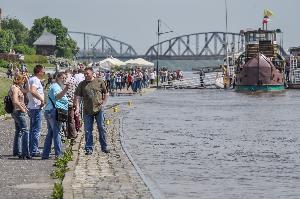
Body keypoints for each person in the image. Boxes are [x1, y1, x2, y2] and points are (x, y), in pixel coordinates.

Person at [73, 67, 109, 155]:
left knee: (101, 128)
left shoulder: (99, 81)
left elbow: (106, 93)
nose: (85, 75)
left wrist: (104, 103)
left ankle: (104, 147)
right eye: (84, 74)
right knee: (88, 130)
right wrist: (77, 108)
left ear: (92, 73)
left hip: (99, 109)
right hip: (87, 110)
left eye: (87, 73)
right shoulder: (82, 84)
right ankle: (89, 148)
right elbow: (77, 97)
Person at [42, 72, 69, 159]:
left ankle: (45, 154)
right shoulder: (56, 86)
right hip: (54, 111)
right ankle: (59, 154)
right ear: (57, 78)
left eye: (65, 78)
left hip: (50, 111)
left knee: (50, 132)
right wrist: (66, 89)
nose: (64, 79)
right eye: (62, 78)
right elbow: (57, 97)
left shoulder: (56, 86)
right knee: (57, 132)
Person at [10, 73, 31, 159]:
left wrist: (27, 80)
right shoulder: (15, 89)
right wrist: (22, 109)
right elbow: (15, 100)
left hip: (15, 112)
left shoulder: (16, 87)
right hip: (18, 112)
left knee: (18, 131)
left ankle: (16, 151)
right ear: (19, 80)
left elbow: (27, 90)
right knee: (25, 131)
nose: (23, 81)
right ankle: (25, 153)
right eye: (23, 80)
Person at [27, 65, 45, 157]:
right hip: (36, 107)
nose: (44, 73)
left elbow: (27, 91)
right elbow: (33, 91)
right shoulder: (35, 80)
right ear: (39, 71)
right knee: (36, 130)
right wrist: (41, 99)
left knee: (33, 129)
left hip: (32, 106)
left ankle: (31, 149)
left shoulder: (31, 79)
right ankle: (34, 150)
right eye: (43, 71)